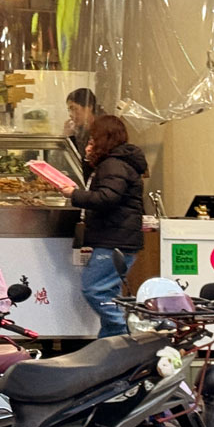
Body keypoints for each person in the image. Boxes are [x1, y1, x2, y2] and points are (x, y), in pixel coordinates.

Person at [55, 114, 147, 338]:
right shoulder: (117, 163)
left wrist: (73, 194)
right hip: (119, 238)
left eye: (93, 138)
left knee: (94, 288)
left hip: (114, 240)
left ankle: (126, 330)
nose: (90, 143)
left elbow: (106, 198)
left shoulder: (113, 164)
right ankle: (111, 348)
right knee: (109, 292)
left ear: (103, 138)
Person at [64, 88, 100, 166]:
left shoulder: (102, 131)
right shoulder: (78, 131)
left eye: (74, 109)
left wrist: (70, 137)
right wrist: (67, 137)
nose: (70, 114)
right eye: (69, 110)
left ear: (89, 107)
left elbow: (84, 161)